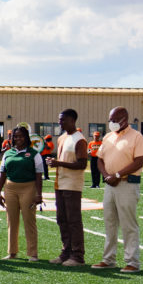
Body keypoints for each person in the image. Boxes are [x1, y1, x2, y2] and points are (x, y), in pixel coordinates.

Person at [91, 107, 143, 273]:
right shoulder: (108, 137)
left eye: (114, 120)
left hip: (127, 184)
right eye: (110, 120)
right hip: (110, 185)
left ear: (124, 119)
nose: (111, 123)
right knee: (110, 223)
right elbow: (99, 159)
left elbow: (139, 161)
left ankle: (132, 262)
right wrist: (107, 175)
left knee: (129, 224)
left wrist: (118, 174)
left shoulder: (136, 137)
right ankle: (108, 259)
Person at [0, 126, 43, 261]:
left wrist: (39, 194)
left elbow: (39, 176)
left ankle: (32, 253)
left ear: (26, 137)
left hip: (28, 187)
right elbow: (2, 174)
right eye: (15, 136)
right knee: (11, 220)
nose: (18, 138)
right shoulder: (8, 153)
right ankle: (12, 252)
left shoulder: (34, 154)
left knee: (29, 220)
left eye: (21, 136)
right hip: (10, 188)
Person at [47, 109, 88, 266]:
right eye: (59, 119)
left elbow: (82, 164)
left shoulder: (80, 139)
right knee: (62, 219)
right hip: (60, 183)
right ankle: (66, 252)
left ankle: (78, 256)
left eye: (63, 120)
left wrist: (59, 163)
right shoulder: (62, 137)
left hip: (72, 185)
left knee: (73, 220)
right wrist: (54, 162)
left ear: (72, 120)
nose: (60, 122)